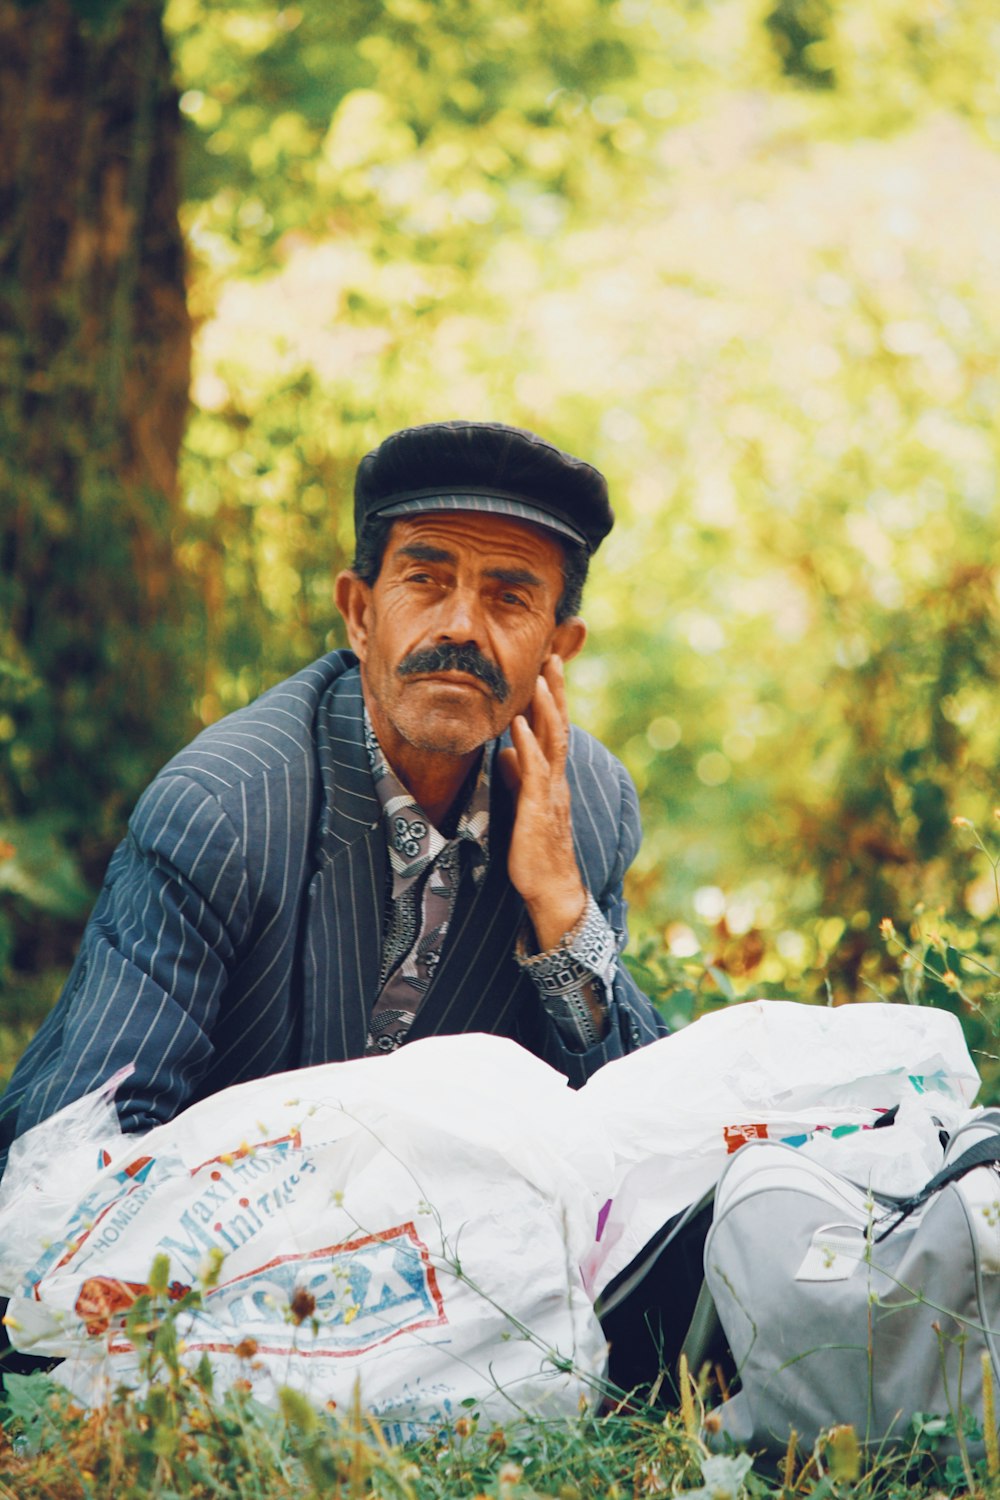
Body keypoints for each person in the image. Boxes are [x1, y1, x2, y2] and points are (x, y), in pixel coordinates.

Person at [0, 420, 667, 1184]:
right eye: (425, 580)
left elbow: (632, 1131)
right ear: (358, 612)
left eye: (509, 597)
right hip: (216, 1258)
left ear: (557, 646)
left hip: (470, 1269)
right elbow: (78, 1142)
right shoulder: (226, 808)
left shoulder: (589, 805)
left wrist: (562, 906)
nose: (460, 626)